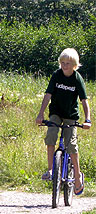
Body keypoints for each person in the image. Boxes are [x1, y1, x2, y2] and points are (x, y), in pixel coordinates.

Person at [36, 48, 91, 195]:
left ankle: (78, 176)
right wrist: (40, 114)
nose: (65, 66)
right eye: (62, 63)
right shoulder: (57, 75)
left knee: (71, 144)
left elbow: (84, 100)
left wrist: (88, 120)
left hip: (71, 115)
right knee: (51, 135)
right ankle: (50, 169)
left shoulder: (77, 78)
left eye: (68, 63)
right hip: (56, 113)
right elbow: (48, 95)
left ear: (74, 65)